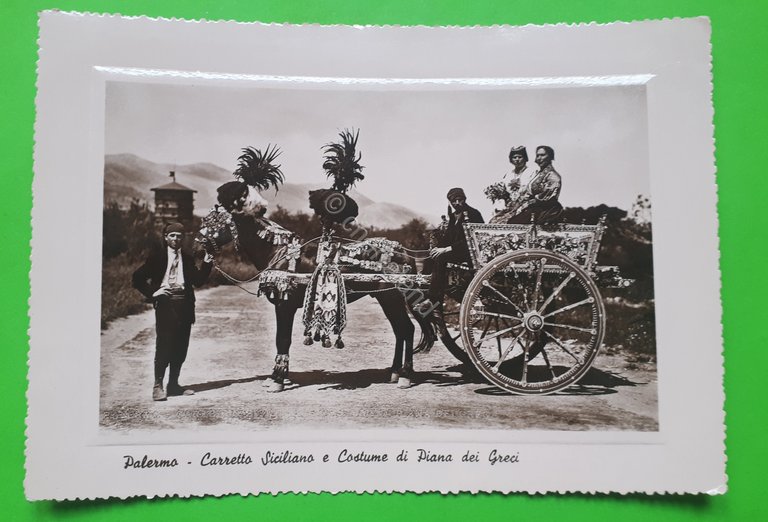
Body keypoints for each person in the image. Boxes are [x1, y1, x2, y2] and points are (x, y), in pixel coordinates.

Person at [132, 222, 213, 401]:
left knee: (181, 347)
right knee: (164, 346)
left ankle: (174, 384)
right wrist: (153, 293)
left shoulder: (187, 258)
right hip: (166, 305)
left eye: (179, 236)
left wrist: (207, 264)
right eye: (172, 235)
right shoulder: (157, 258)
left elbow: (198, 281)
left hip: (185, 305)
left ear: (183, 239)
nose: (176, 239)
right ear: (166, 237)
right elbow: (137, 278)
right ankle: (158, 385)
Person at [420, 188, 484, 318]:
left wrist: (446, 249)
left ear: (464, 199)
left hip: (468, 252)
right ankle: (426, 294)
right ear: (450, 202)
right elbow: (447, 238)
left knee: (441, 259)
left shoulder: (473, 214)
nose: (457, 203)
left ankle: (433, 299)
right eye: (454, 201)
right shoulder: (453, 217)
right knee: (429, 259)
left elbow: (474, 240)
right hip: (456, 251)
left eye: (460, 200)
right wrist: (437, 248)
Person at [491, 145, 563, 225]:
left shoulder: (551, 175)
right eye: (538, 155)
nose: (539, 158)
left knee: (512, 222)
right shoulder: (539, 174)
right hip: (523, 206)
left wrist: (525, 204)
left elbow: (544, 197)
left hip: (543, 208)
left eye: (542, 155)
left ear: (550, 157)